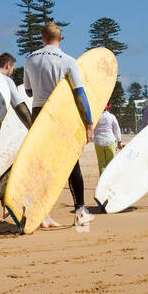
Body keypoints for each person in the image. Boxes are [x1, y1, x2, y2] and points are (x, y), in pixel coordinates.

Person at [22, 22, 95, 228]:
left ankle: (42, 214)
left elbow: (28, 91)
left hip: (38, 114)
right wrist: (89, 123)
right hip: (60, 114)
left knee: (42, 165)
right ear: (60, 39)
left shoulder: (29, 59)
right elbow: (80, 94)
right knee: (72, 163)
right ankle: (80, 211)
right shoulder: (69, 61)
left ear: (42, 38)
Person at [0, 52, 34, 218]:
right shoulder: (7, 81)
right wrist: (33, 127)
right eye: (12, 68)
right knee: (12, 162)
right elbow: (20, 106)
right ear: (8, 66)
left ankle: (0, 206)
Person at [93, 104, 123, 174]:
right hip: (110, 141)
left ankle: (103, 183)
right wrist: (119, 141)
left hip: (98, 141)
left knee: (101, 164)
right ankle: (111, 182)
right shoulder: (111, 116)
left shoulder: (95, 117)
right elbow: (116, 129)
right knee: (111, 164)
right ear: (108, 108)